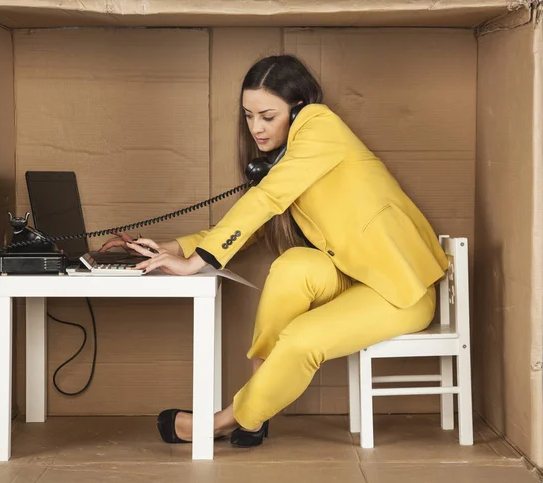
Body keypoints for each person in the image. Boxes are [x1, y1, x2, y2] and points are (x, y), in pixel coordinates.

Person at [99, 54, 449, 448]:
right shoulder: (291, 154)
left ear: (298, 108)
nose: (256, 128)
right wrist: (168, 246)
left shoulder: (320, 125)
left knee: (302, 337)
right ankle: (258, 408)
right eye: (248, 116)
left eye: (267, 116)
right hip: (353, 270)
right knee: (291, 266)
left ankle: (226, 420)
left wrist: (193, 263)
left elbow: (265, 199)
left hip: (401, 289)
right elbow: (252, 227)